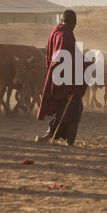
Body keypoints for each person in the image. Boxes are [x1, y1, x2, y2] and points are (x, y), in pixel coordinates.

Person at [35, 10, 90, 145]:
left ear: (61, 20)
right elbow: (68, 59)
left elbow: (52, 58)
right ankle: (67, 143)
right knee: (74, 112)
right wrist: (89, 65)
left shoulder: (56, 32)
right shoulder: (66, 35)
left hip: (60, 77)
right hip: (69, 81)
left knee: (65, 111)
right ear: (74, 22)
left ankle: (48, 137)